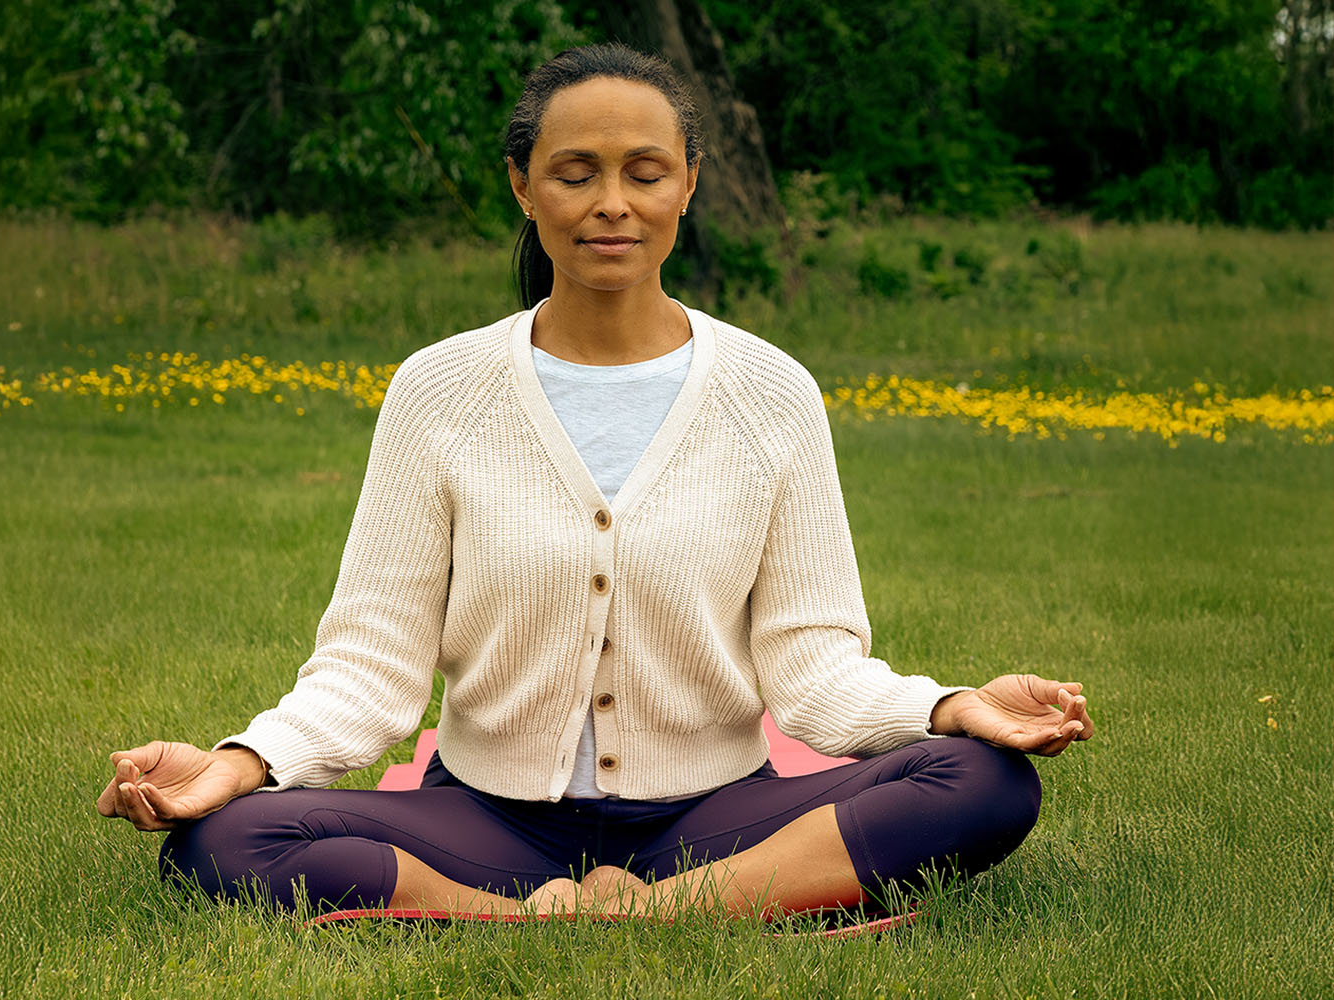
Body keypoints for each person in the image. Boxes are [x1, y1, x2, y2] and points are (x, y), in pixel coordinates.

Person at [96, 43, 1093, 920]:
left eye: (644, 172)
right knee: (218, 843)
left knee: (986, 782)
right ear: (525, 186)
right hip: (483, 818)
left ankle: (666, 907)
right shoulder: (439, 392)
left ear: (688, 184)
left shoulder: (771, 394)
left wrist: (954, 706)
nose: (613, 202)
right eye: (576, 173)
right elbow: (371, 664)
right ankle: (533, 912)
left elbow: (815, 665)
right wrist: (235, 764)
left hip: (718, 816)